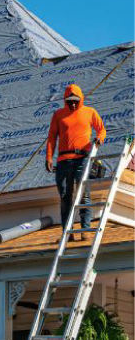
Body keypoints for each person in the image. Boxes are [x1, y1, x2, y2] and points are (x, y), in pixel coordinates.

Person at [46, 84, 106, 241]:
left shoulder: (89, 112)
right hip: (63, 161)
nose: (72, 104)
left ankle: (85, 229)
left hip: (82, 159)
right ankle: (67, 233)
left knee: (83, 194)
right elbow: (52, 137)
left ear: (80, 99)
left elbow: (101, 129)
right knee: (65, 196)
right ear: (65, 100)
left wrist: (99, 139)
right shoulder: (58, 115)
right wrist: (48, 157)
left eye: (75, 101)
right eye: (69, 101)